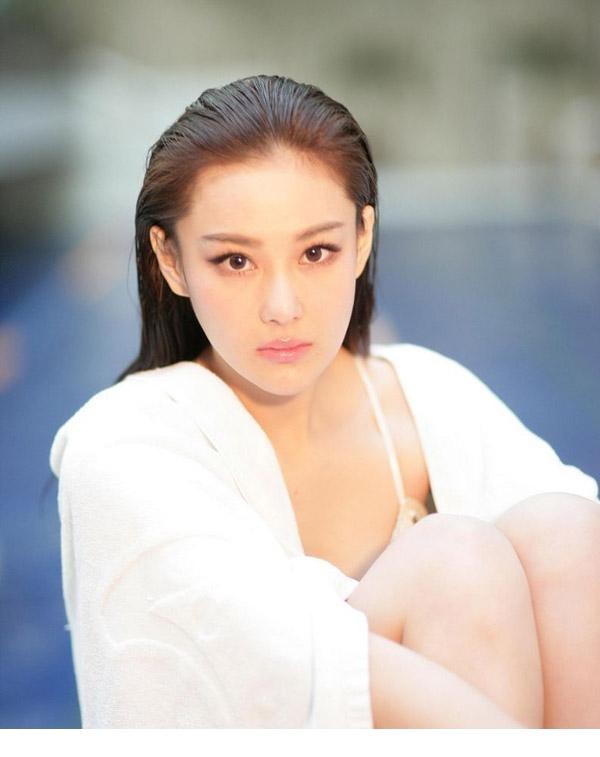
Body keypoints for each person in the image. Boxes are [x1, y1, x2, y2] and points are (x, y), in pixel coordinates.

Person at [49, 74, 600, 729]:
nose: (283, 307)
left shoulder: (430, 396)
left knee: (564, 531)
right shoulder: (121, 445)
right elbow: (258, 668)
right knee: (455, 564)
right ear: (170, 260)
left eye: (316, 251)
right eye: (235, 261)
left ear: (361, 239)